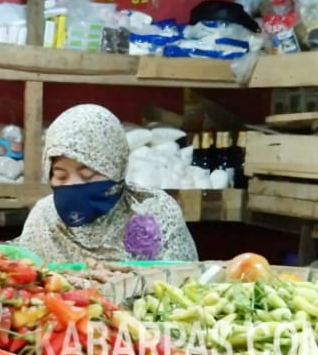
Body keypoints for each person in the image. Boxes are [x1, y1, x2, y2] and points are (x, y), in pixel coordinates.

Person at [14, 104, 199, 265]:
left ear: (115, 169)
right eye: (61, 176)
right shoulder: (44, 219)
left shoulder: (155, 212)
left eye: (87, 175)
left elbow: (184, 286)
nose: (73, 185)